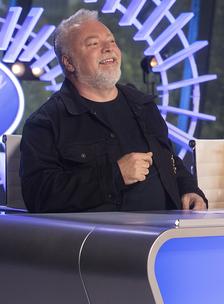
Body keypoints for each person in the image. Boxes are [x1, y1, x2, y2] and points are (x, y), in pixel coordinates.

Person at [20, 9, 207, 213]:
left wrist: (189, 190)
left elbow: (170, 162)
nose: (108, 48)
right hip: (99, 241)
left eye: (111, 41)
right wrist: (115, 175)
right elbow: (38, 196)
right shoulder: (46, 122)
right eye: (94, 44)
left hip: (167, 234)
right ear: (69, 62)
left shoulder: (143, 105)